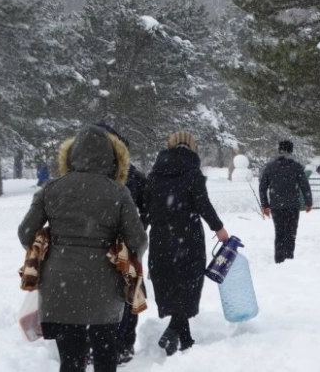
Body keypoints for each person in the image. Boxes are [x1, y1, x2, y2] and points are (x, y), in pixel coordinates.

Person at [17, 125, 148, 372]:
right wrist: (124, 256)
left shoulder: (52, 188)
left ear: (70, 156)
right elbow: (138, 241)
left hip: (60, 283)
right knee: (105, 353)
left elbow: (26, 232)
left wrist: (49, 251)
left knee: (71, 359)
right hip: (105, 283)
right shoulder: (119, 192)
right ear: (113, 158)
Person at [143, 131, 229, 356]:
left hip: (161, 239)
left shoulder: (154, 175)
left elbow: (146, 210)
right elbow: (203, 205)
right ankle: (173, 330)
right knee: (188, 285)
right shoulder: (193, 173)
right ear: (192, 147)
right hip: (188, 237)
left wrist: (139, 234)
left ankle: (186, 338)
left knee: (170, 284)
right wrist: (218, 228)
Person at [93, 122, 147, 364]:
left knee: (102, 296)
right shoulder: (134, 176)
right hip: (126, 246)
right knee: (126, 295)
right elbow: (147, 210)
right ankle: (122, 343)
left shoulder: (90, 176)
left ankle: (105, 344)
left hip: (100, 246)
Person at [259, 140, 313, 263]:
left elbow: (262, 187)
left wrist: (265, 205)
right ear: (291, 151)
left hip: (276, 205)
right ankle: (289, 258)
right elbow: (304, 185)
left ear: (279, 150)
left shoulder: (270, 167)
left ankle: (279, 259)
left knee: (279, 234)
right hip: (292, 205)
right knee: (291, 233)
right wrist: (308, 202)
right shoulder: (296, 166)